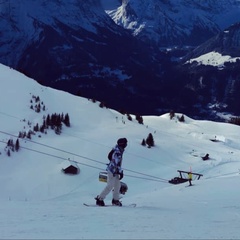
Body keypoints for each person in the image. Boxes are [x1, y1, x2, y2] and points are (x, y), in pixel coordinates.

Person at [95, 138, 128, 206]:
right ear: (122, 144)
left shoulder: (118, 150)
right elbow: (116, 163)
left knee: (117, 186)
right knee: (110, 185)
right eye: (125, 143)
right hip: (112, 171)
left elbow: (112, 159)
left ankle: (115, 200)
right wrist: (120, 172)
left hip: (114, 171)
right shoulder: (117, 152)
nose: (126, 145)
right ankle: (100, 199)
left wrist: (119, 171)